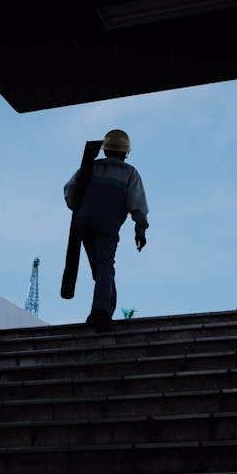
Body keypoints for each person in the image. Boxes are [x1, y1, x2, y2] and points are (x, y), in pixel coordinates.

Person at [64, 129, 149, 332]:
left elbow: (69, 192)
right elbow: (137, 204)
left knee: (100, 268)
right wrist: (140, 230)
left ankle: (107, 304)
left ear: (105, 149)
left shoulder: (90, 167)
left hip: (83, 221)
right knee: (104, 265)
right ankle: (101, 313)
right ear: (126, 152)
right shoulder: (129, 173)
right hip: (107, 224)